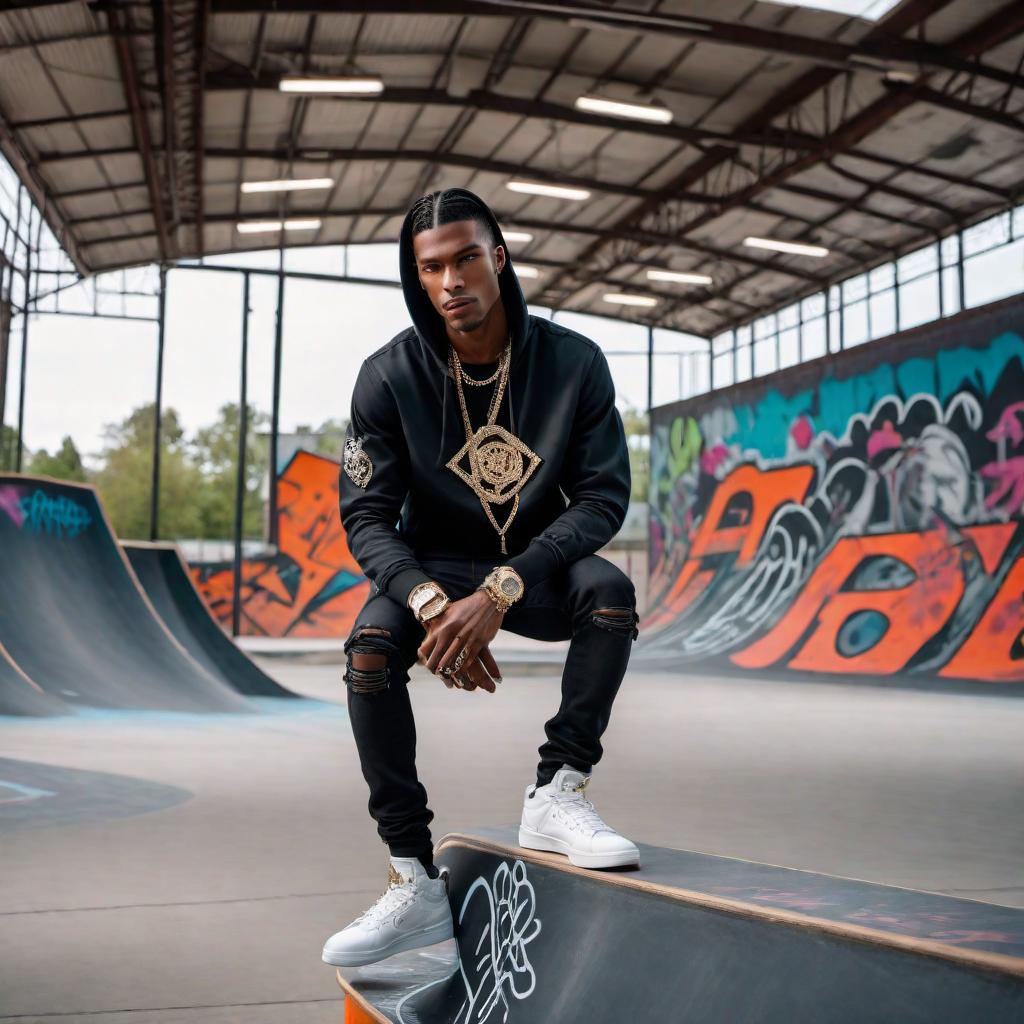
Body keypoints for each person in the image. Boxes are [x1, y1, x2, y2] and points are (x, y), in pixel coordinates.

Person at [322, 187, 641, 969]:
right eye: (432, 267)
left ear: (498, 257)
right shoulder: (387, 376)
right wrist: (431, 602)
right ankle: (412, 878)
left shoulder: (574, 364)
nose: (451, 280)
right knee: (368, 648)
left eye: (467, 258)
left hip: (536, 563)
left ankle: (558, 792)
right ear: (418, 277)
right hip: (427, 565)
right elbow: (366, 514)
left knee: (610, 594)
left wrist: (502, 589)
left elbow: (604, 497)